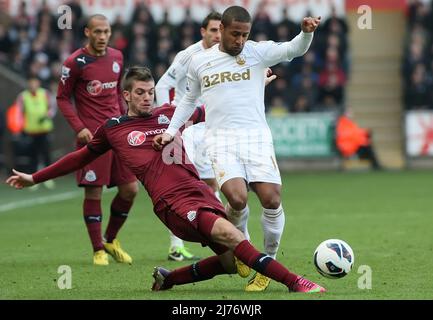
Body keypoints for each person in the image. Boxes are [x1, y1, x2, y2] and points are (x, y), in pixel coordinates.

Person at [6, 67, 325, 294]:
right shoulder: (114, 129)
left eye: (150, 92)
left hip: (201, 193)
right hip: (172, 203)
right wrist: (35, 177)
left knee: (229, 263)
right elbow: (80, 157)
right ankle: (296, 282)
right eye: (141, 93)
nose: (147, 97)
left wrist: (255, 87)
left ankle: (168, 280)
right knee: (231, 234)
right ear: (126, 95)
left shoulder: (170, 114)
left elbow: (217, 108)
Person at [154, 6, 321, 291]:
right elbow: (188, 100)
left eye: (245, 35)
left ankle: (267, 264)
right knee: (237, 198)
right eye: (235, 34)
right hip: (220, 140)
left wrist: (306, 33)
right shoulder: (199, 62)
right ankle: (244, 250)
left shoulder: (257, 52)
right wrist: (171, 132)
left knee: (271, 199)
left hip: (256, 139)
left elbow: (295, 49)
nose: (240, 41)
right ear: (221, 31)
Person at [56, 14, 138, 265]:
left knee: (130, 189)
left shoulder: (117, 57)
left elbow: (115, 92)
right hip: (92, 136)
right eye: (98, 32)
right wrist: (79, 127)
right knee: (94, 192)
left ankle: (110, 239)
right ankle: (97, 250)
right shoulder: (74, 63)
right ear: (87, 33)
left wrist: (126, 116)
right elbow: (62, 98)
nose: (102, 37)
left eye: (106, 32)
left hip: (117, 133)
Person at [155, 12, 223, 262]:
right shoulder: (187, 56)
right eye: (213, 30)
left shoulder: (223, 55)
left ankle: (220, 232)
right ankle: (176, 245)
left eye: (220, 30)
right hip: (185, 127)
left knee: (211, 182)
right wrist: (168, 119)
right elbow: (162, 85)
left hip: (207, 126)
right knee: (180, 184)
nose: (217, 35)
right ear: (202, 32)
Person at [15, 75, 56, 189]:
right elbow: (19, 112)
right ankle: (32, 178)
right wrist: (21, 126)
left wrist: (47, 116)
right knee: (32, 155)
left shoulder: (45, 93)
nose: (33, 85)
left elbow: (52, 107)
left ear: (38, 83)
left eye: (35, 82)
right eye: (31, 82)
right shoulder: (23, 96)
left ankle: (49, 177)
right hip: (31, 130)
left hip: (44, 129)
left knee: (46, 154)